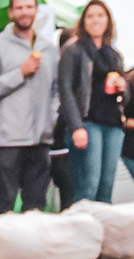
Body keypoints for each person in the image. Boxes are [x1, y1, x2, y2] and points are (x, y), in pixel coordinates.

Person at [0, 0, 60, 214]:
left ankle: (33, 247)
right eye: (19, 7)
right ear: (10, 13)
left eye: (29, 7)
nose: (24, 12)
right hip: (8, 141)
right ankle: (4, 247)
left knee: (36, 205)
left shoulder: (49, 48)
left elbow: (56, 91)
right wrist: (20, 73)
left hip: (40, 139)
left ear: (36, 11)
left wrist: (51, 119)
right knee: (6, 204)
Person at [59, 0, 126, 204]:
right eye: (90, 16)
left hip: (113, 125)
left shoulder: (114, 54)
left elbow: (124, 97)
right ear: (83, 22)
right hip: (88, 123)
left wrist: (124, 87)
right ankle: (81, 233)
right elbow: (65, 88)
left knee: (106, 187)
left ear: (108, 20)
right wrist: (76, 126)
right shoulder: (74, 50)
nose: (95, 20)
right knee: (89, 186)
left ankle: (101, 235)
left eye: (100, 15)